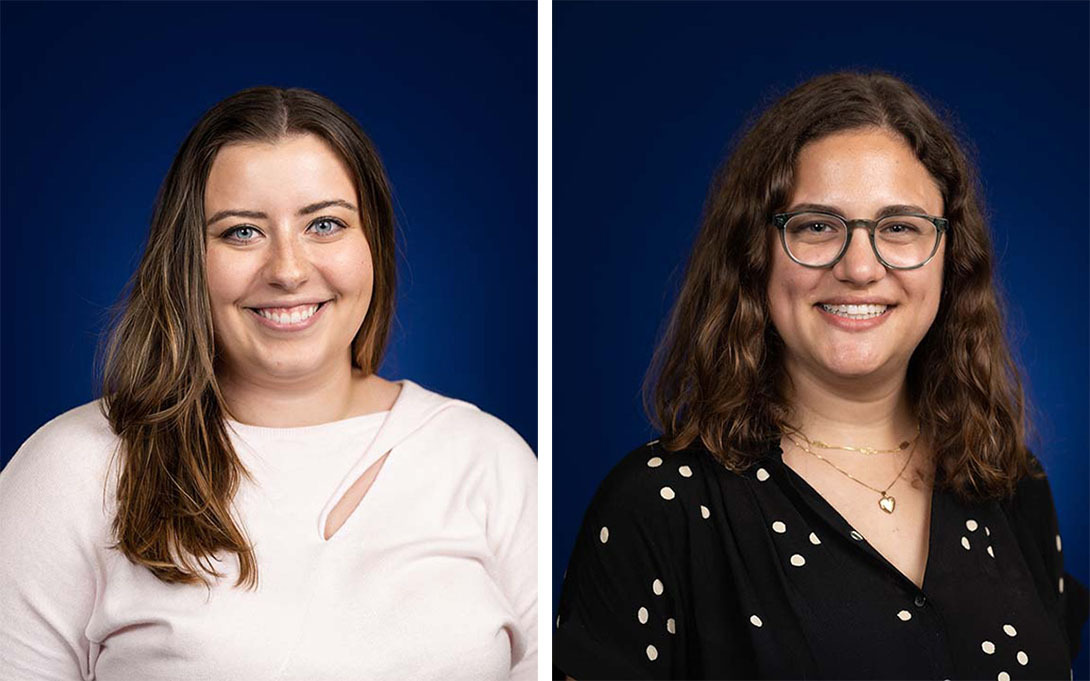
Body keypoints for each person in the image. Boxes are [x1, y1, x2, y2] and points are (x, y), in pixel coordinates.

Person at [554, 72, 1087, 680]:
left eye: (900, 226)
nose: (860, 267)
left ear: (951, 258)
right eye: (816, 225)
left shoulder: (1013, 485)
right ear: (755, 253)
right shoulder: (657, 506)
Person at [0, 87, 537, 681]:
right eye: (241, 232)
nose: (287, 269)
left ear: (373, 245)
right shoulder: (73, 468)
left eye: (325, 224)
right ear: (187, 259)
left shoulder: (490, 460)